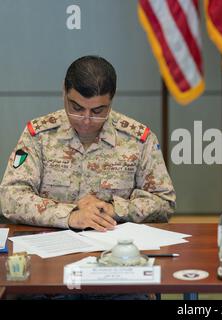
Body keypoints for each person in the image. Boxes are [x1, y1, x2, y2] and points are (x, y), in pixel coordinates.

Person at [0, 55, 176, 231]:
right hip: (51, 248)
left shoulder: (138, 140)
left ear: (111, 100)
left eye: (97, 111)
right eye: (77, 108)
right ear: (64, 91)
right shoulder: (39, 136)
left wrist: (115, 209)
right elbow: (10, 197)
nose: (86, 120)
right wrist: (70, 215)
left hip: (113, 249)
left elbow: (164, 203)